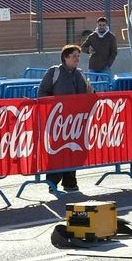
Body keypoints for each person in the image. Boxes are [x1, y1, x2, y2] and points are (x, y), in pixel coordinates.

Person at [38, 45, 93, 192]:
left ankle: (70, 182)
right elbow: (42, 92)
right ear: (65, 57)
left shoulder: (80, 74)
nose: (77, 59)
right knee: (57, 151)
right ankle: (52, 182)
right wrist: (54, 105)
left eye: (78, 56)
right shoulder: (54, 72)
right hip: (58, 121)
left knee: (74, 150)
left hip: (75, 121)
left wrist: (90, 93)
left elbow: (88, 95)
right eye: (74, 56)